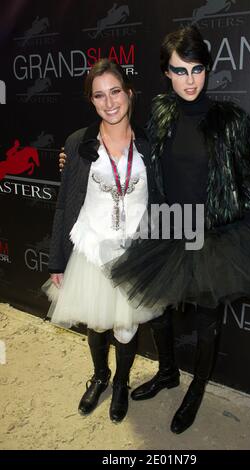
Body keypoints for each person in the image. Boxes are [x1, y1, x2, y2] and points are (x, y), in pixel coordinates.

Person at [59, 27, 250, 434]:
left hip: (211, 230)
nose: (189, 79)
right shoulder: (160, 112)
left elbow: (245, 177)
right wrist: (77, 151)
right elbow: (120, 138)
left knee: (207, 319)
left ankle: (197, 388)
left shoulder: (232, 119)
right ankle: (168, 372)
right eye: (179, 70)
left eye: (196, 69)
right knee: (159, 311)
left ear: (207, 69)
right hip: (169, 223)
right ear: (166, 74)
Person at [43, 58, 162, 423]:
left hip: (135, 254)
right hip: (92, 251)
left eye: (115, 92)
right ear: (91, 102)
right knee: (96, 322)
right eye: (99, 96)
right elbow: (67, 202)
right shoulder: (78, 143)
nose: (109, 102)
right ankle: (100, 376)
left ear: (129, 93)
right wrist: (57, 260)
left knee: (127, 327)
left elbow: (165, 197)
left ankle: (122, 383)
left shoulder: (151, 143)